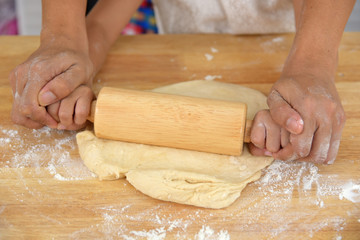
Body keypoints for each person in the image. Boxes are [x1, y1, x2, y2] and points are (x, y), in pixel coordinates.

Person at [9, 0, 355, 164]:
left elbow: (313, 52)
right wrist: (68, 42)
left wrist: (312, 62)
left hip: (291, 25)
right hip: (175, 24)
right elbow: (99, 24)